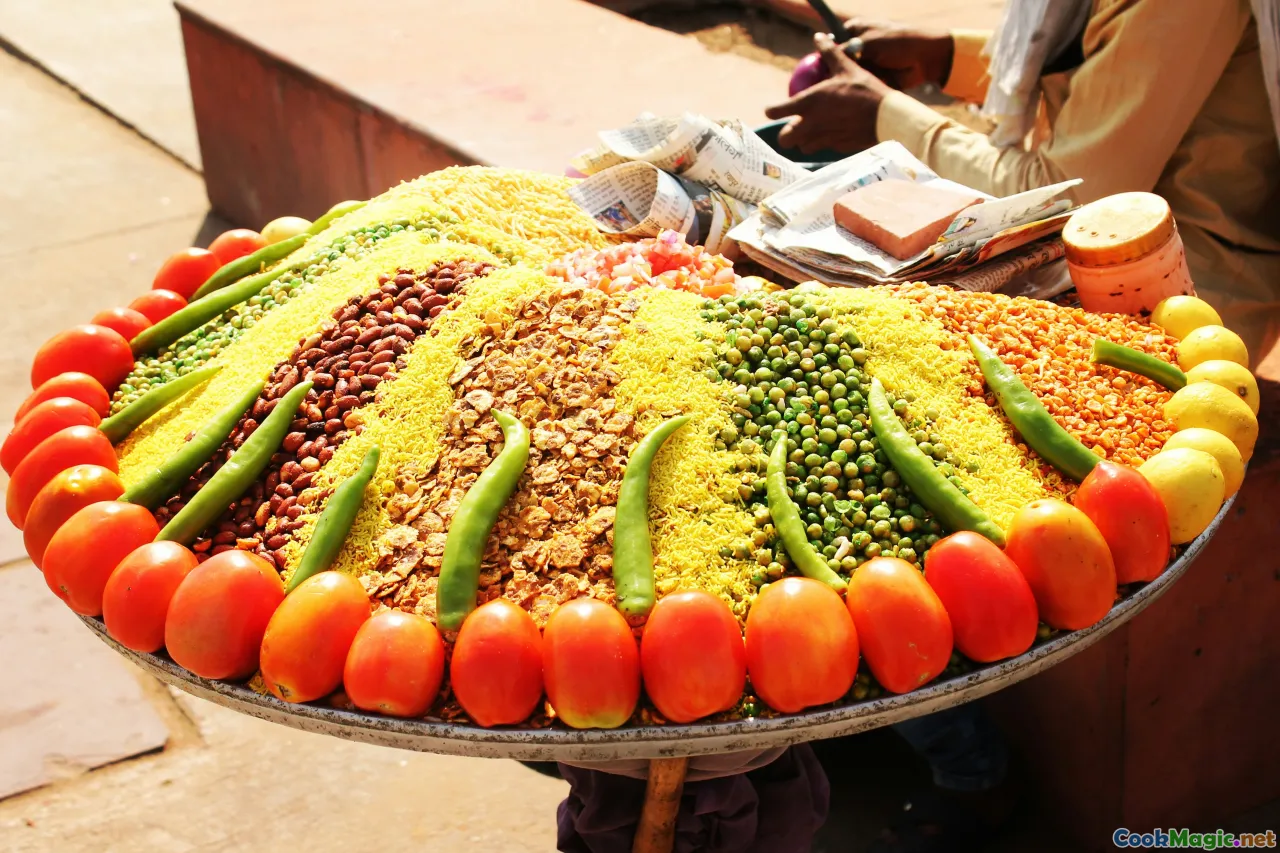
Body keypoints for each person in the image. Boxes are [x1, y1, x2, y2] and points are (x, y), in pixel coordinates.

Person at [764, 0, 1280, 367]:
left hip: (1186, 290)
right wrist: (947, 57)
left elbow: (1067, 194)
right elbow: (1094, 57)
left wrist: (884, 116)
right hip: (1089, 257)